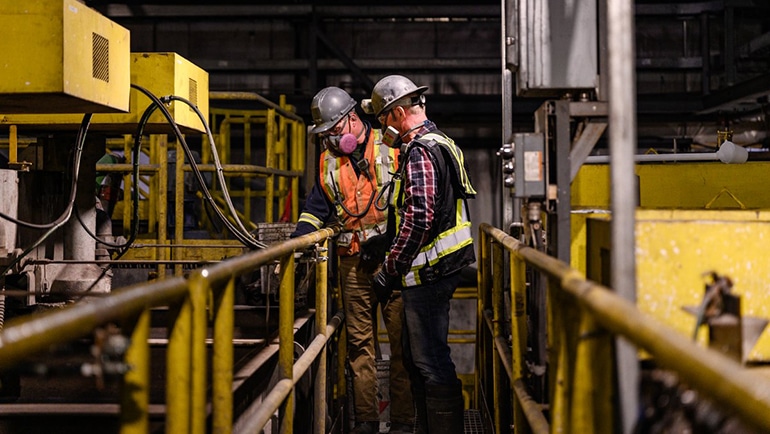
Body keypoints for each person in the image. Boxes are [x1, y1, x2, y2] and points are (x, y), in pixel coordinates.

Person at [291, 86, 414, 434]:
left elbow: (411, 203)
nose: (329, 140)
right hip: (352, 263)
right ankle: (366, 422)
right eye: (325, 134)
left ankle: (404, 422)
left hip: (394, 261)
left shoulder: (393, 148)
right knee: (360, 346)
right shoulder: (329, 160)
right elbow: (318, 207)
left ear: (352, 119)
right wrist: (297, 239)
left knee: (402, 343)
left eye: (333, 131)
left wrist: (392, 238)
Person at [363, 75, 476, 434]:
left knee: (430, 362)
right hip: (438, 270)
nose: (382, 129)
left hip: (428, 274)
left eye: (383, 119)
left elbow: (421, 216)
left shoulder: (420, 150)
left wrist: (389, 268)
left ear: (397, 114)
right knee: (421, 359)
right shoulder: (440, 141)